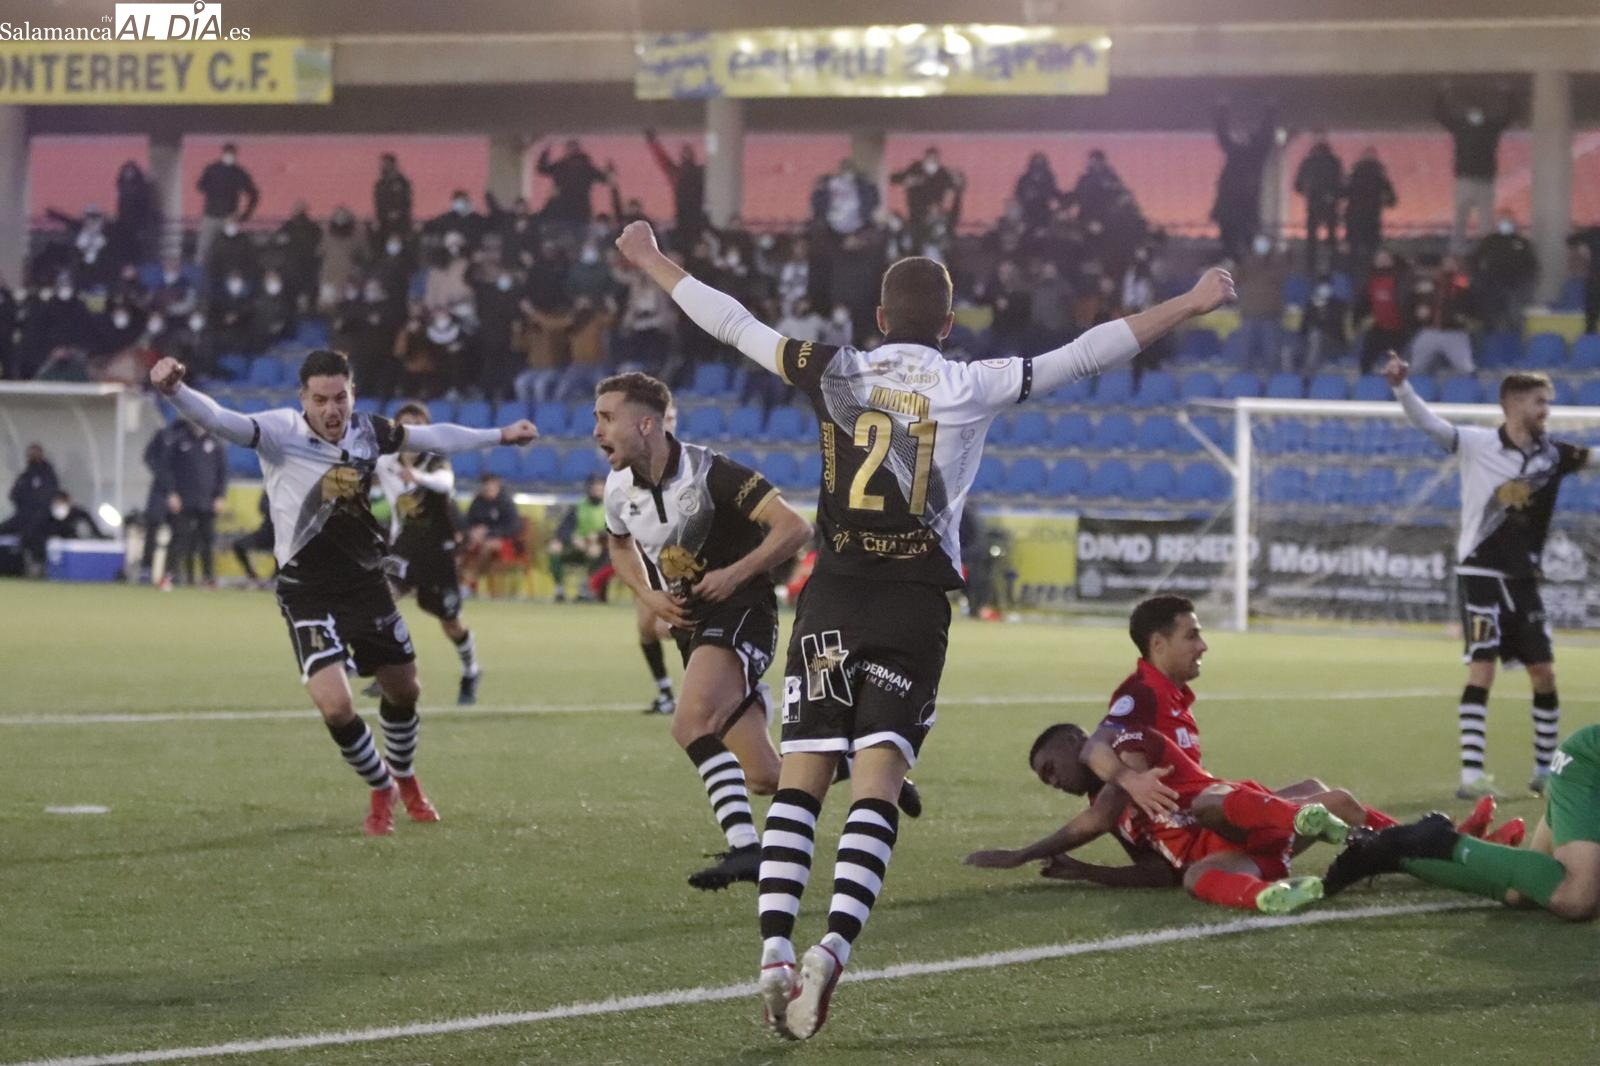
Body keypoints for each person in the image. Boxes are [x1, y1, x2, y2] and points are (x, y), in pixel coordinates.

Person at [611, 218, 1236, 1040]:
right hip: (911, 605)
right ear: (947, 324)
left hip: (830, 596)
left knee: (801, 781)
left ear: (877, 318)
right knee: (875, 782)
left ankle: (772, 951)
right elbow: (1088, 350)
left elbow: (732, 322)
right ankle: (831, 951)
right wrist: (1190, 302)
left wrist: (654, 259)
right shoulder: (970, 381)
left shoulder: (834, 369)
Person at [148, 349, 538, 834]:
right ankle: (381, 788)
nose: (332, 410)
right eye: (321, 400)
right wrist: (176, 391)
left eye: (340, 397)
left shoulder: (369, 432)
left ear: (352, 393)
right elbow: (221, 419)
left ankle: (407, 778)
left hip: (365, 582)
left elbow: (433, 436)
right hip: (304, 589)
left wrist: (500, 434)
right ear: (303, 399)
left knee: (405, 688)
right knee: (334, 704)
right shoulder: (279, 432)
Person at [596, 372, 813, 890]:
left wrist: (734, 574)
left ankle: (747, 851)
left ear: (645, 423)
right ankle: (878, 780)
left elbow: (795, 528)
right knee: (764, 776)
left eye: (607, 418)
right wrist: (650, 597)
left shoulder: (713, 474)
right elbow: (619, 546)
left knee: (688, 723)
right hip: (693, 629)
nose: (598, 431)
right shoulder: (617, 486)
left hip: (743, 612)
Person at [1385, 356, 1591, 799]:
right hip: (1479, 571)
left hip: (1523, 578)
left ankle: (1544, 771)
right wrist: (1403, 389)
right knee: (1483, 668)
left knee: (1545, 673)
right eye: (1540, 402)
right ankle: (1471, 775)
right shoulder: (1477, 444)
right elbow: (1432, 425)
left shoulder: (1553, 455)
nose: (1546, 411)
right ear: (1512, 404)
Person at [964, 721, 1353, 914]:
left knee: (1213, 805)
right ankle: (1272, 896)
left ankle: (1346, 826)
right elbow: (1158, 873)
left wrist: (1020, 855)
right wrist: (1085, 872)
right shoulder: (1109, 806)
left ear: (1074, 743)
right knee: (1192, 876)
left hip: (1240, 821)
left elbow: (1097, 819)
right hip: (1237, 858)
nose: (1053, 782)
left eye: (1050, 768)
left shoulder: (1124, 747)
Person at [1324, 723, 1600, 922]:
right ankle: (1442, 841)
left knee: (1524, 890)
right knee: (1575, 895)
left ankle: (1394, 852)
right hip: (1591, 764)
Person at [374, 403, 483, 705]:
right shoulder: (386, 460)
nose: (412, 428)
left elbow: (445, 482)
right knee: (381, 600)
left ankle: (471, 670)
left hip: (437, 552)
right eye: (406, 423)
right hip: (404, 547)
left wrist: (417, 478)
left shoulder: (435, 462)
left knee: (451, 623)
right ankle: (388, 668)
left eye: (418, 422)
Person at [1436, 81, 1519, 254]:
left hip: (1469, 178)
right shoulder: (1488, 128)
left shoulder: (1464, 127)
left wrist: (1442, 94)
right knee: (1479, 219)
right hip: (1481, 179)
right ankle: (1482, 249)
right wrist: (1508, 95)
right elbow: (1509, 116)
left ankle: (1464, 248)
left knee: (1466, 217)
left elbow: (1442, 117)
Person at [154, 419, 228, 587]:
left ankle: (209, 578)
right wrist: (171, 493)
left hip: (206, 501)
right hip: (183, 500)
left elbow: (222, 473)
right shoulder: (179, 441)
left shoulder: (215, 444)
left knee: (207, 541)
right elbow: (166, 469)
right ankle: (169, 576)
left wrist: (220, 496)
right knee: (179, 538)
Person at [194, 143, 259, 269]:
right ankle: (202, 281)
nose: (230, 156)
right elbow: (200, 186)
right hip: (212, 215)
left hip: (227, 217)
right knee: (203, 252)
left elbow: (253, 194)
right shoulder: (212, 169)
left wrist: (245, 215)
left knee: (231, 250)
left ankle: (230, 275)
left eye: (231, 154)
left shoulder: (238, 173)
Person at [546, 474, 609, 602]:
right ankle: (559, 589)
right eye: (596, 488)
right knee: (554, 547)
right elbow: (563, 528)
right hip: (577, 546)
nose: (598, 491)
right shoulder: (579, 506)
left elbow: (616, 533)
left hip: (601, 549)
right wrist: (572, 539)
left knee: (595, 550)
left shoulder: (610, 508)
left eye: (601, 489)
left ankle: (586, 587)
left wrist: (599, 538)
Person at [0, 443, 61, 573]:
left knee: (31, 534)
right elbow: (14, 494)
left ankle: (35, 564)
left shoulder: (48, 475)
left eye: (34, 453)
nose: (31, 457)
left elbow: (47, 498)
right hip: (22, 516)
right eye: (30, 454)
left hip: (41, 518)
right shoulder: (26, 475)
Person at [643, 130, 707, 249]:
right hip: (693, 219)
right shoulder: (698, 172)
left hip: (687, 219)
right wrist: (653, 142)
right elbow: (662, 159)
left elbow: (663, 160)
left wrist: (652, 142)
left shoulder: (678, 173)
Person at [1293, 132, 1343, 274]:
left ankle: (1311, 266)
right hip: (1330, 203)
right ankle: (1332, 264)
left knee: (1312, 238)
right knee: (1331, 237)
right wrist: (1333, 195)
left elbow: (1298, 185)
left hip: (1314, 203)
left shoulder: (1309, 162)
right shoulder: (1334, 162)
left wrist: (1310, 192)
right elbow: (1341, 185)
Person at [462, 473, 523, 590]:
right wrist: (472, 531)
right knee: (463, 546)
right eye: (486, 485)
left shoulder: (506, 503)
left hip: (505, 541)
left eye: (491, 484)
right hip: (478, 539)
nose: (488, 488)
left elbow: (514, 527)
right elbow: (468, 521)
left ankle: (471, 582)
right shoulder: (478, 501)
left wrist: (489, 532)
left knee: (487, 546)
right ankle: (459, 580)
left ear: (497, 485)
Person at [231, 492, 275, 588]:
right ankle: (252, 576)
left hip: (283, 535)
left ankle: (274, 578)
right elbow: (262, 507)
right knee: (238, 545)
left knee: (284, 551)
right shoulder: (269, 489)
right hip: (265, 533)